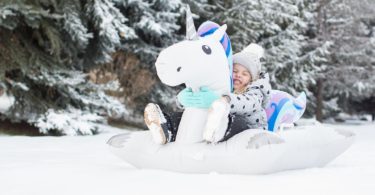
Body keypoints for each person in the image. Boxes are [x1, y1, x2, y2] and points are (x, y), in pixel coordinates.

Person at [144, 44, 272, 144]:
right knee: (190, 114)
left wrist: (225, 100)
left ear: (252, 78)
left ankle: (220, 127)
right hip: (218, 123)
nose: (238, 75)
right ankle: (165, 127)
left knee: (237, 121)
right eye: (235, 71)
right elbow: (202, 98)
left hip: (249, 130)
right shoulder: (226, 86)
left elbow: (247, 103)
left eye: (245, 73)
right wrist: (184, 99)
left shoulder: (256, 90)